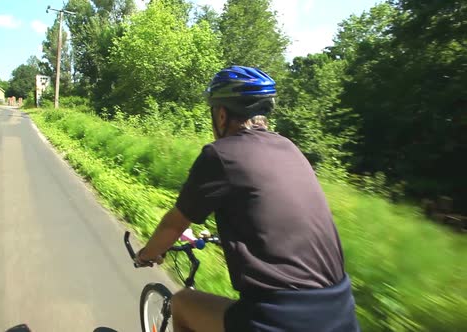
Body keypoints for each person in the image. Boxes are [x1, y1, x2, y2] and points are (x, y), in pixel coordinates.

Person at [135, 66, 359, 332]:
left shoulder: (220, 155)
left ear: (221, 114)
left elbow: (174, 224)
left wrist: (147, 254)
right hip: (341, 313)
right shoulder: (290, 149)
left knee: (183, 303)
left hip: (279, 319)